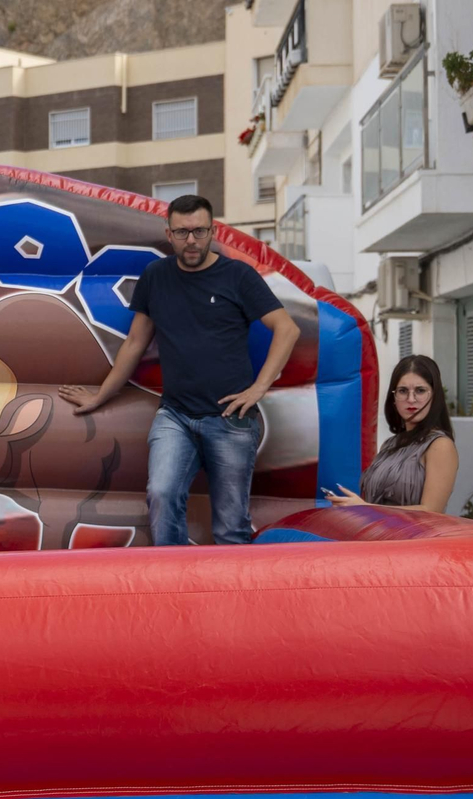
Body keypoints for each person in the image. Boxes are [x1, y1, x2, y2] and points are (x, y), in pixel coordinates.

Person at [59, 195, 300, 545]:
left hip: (231, 419)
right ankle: (171, 587)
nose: (192, 240)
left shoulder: (237, 275)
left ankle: (231, 599)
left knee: (231, 527)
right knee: (161, 495)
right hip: (176, 415)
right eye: (183, 232)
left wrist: (259, 388)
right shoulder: (156, 276)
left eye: (199, 231)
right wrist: (101, 394)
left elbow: (287, 329)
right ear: (168, 234)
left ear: (213, 231)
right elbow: (135, 343)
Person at [328, 354, 459, 511]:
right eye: (403, 391)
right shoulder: (389, 444)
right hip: (378, 533)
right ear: (394, 398)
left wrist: (366, 508)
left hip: (416, 535)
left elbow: (432, 510)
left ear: (435, 396)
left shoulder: (440, 446)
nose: (411, 399)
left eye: (420, 390)